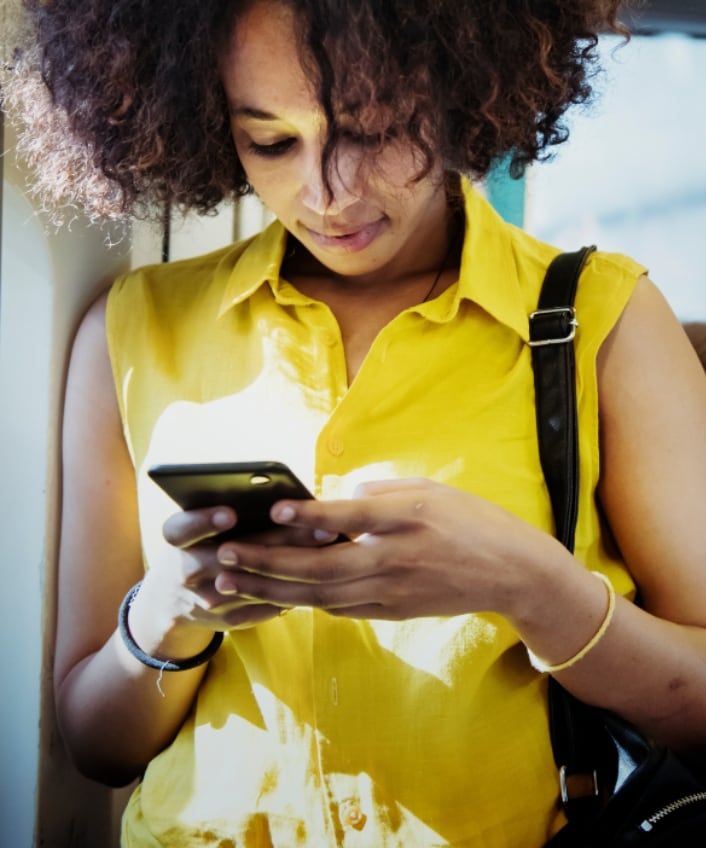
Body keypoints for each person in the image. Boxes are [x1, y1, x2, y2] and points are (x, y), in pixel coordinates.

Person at [6, 0, 706, 845]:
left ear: (463, 89)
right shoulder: (134, 330)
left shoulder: (604, 323)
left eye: (374, 130)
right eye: (270, 141)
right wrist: (170, 612)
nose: (326, 193)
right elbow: (96, 747)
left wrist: (536, 590)